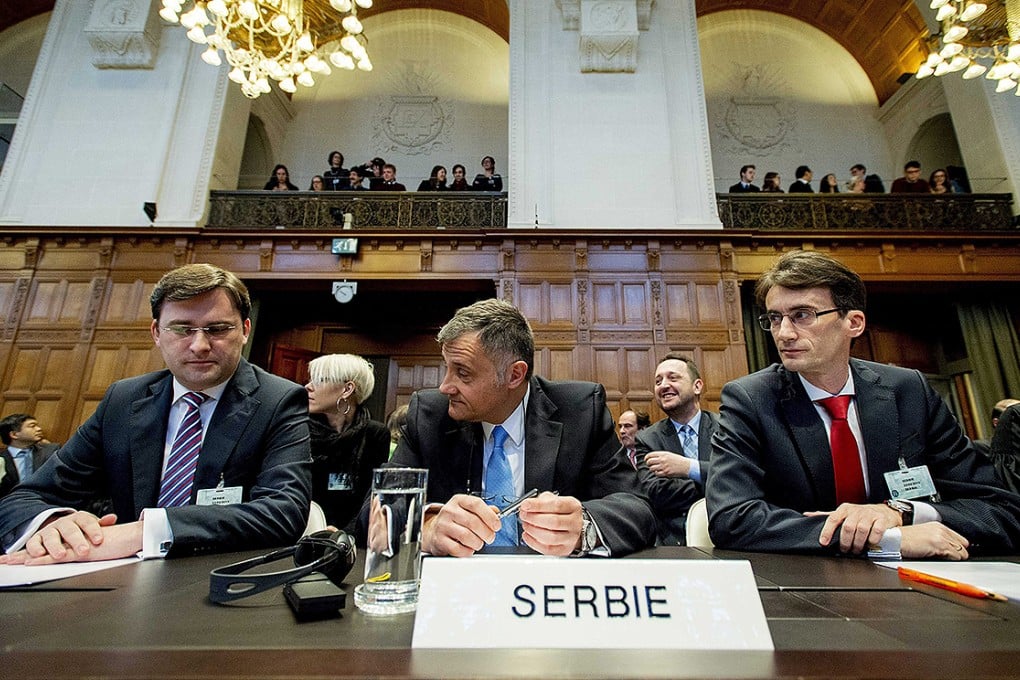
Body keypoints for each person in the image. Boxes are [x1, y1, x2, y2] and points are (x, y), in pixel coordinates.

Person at [707, 249, 1020, 559]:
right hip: (807, 582)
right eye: (775, 318)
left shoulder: (909, 390)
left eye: (802, 315)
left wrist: (903, 512)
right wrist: (885, 539)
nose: (784, 333)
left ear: (853, 322)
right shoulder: (751, 399)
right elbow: (731, 519)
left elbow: (1000, 510)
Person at [0, 263, 312, 564]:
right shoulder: (123, 399)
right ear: (156, 332)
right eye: (182, 329)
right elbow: (24, 498)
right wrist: (53, 523)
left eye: (217, 329)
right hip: (118, 583)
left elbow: (283, 511)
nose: (200, 345)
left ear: (244, 330)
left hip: (217, 577)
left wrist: (144, 531)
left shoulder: (278, 400)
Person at [383, 298, 656, 558]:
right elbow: (375, 511)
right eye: (447, 368)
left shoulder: (580, 411)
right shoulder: (430, 416)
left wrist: (583, 527)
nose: (445, 386)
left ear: (514, 374)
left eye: (462, 373)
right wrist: (426, 525)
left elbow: (638, 510)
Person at [634, 354, 719, 545]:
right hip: (673, 542)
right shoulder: (647, 439)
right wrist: (713, 480)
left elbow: (741, 479)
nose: (663, 385)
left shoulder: (726, 429)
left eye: (673, 378)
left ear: (697, 386)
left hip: (728, 536)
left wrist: (689, 468)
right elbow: (655, 493)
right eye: (658, 381)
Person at [304, 354, 390, 532]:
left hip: (353, 538)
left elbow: (373, 495)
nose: (308, 387)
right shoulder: (298, 430)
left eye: (319, 380)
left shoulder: (375, 434)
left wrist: (345, 533)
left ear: (347, 389)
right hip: (302, 532)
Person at [0, 414, 59, 499]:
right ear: (14, 434)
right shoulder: (1, 459)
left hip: (47, 503)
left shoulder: (51, 450)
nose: (39, 429)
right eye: (32, 426)